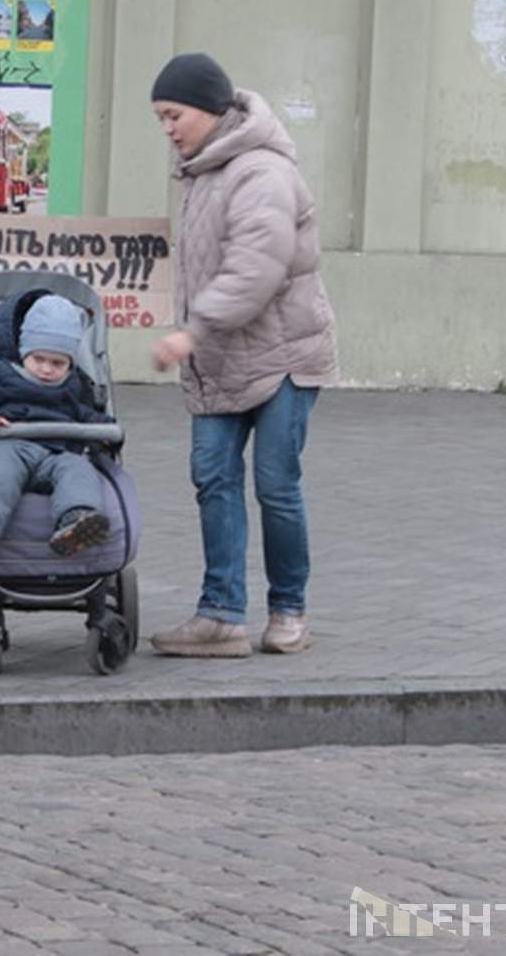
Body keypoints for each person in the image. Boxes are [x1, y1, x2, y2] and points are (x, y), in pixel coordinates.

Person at [144, 52, 337, 658]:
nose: (168, 129)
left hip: (282, 355)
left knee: (276, 485)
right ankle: (221, 615)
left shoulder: (260, 172)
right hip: (224, 359)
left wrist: (192, 331)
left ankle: (289, 611)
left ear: (207, 107)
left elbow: (256, 269)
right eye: (160, 119)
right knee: (213, 479)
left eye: (173, 115)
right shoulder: (203, 172)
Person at [0, 293, 114, 587]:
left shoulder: (73, 385)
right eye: (39, 360)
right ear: (23, 351)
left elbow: (85, 414)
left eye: (58, 363)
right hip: (6, 447)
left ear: (70, 363)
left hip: (56, 452)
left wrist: (107, 431)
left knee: (78, 470)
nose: (47, 370)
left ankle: (77, 520)